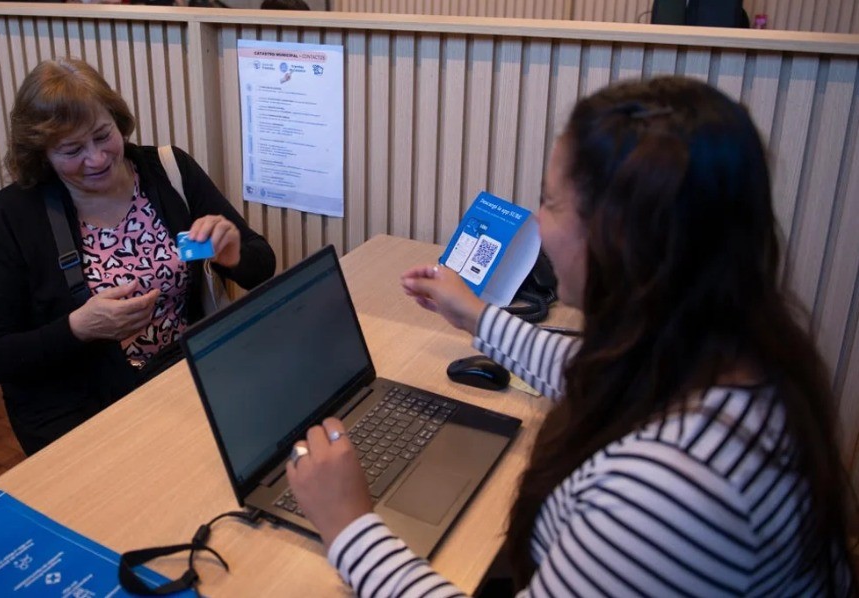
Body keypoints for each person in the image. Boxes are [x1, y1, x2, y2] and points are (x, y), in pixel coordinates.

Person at [286, 76, 855, 595]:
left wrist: (350, 527)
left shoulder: (671, 489)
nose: (539, 224)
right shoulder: (735, 354)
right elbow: (603, 371)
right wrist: (479, 318)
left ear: (620, 239)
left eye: (552, 203)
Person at [0, 58, 275, 455]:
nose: (96, 159)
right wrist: (78, 328)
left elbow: (262, 266)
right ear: (40, 152)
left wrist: (233, 254)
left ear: (118, 122)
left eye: (103, 136)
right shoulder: (13, 215)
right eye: (72, 150)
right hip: (80, 416)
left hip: (184, 385)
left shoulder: (167, 172)